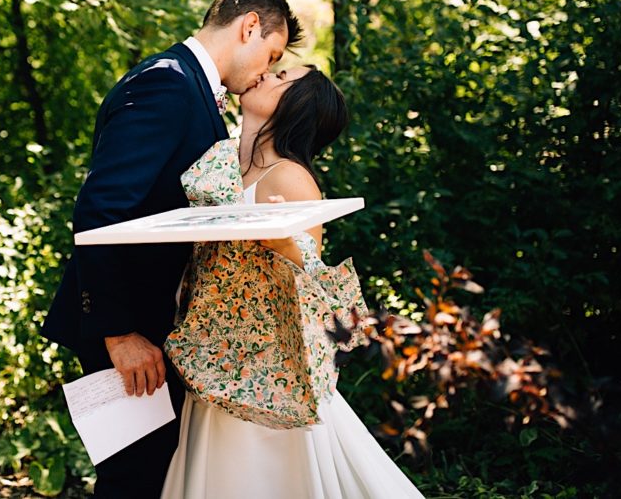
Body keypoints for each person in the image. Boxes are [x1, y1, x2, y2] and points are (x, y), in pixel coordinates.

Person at [41, 0, 303, 499]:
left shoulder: (191, 89)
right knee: (132, 479)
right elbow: (101, 206)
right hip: (126, 329)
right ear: (249, 26)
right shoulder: (167, 84)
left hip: (157, 326)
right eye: (271, 54)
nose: (265, 71)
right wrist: (118, 334)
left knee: (150, 475)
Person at [161, 67, 425, 498]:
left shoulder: (290, 177)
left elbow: (318, 296)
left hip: (266, 379)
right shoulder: (222, 163)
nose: (265, 73)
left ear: (296, 104)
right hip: (215, 360)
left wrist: (287, 244)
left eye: (281, 75)